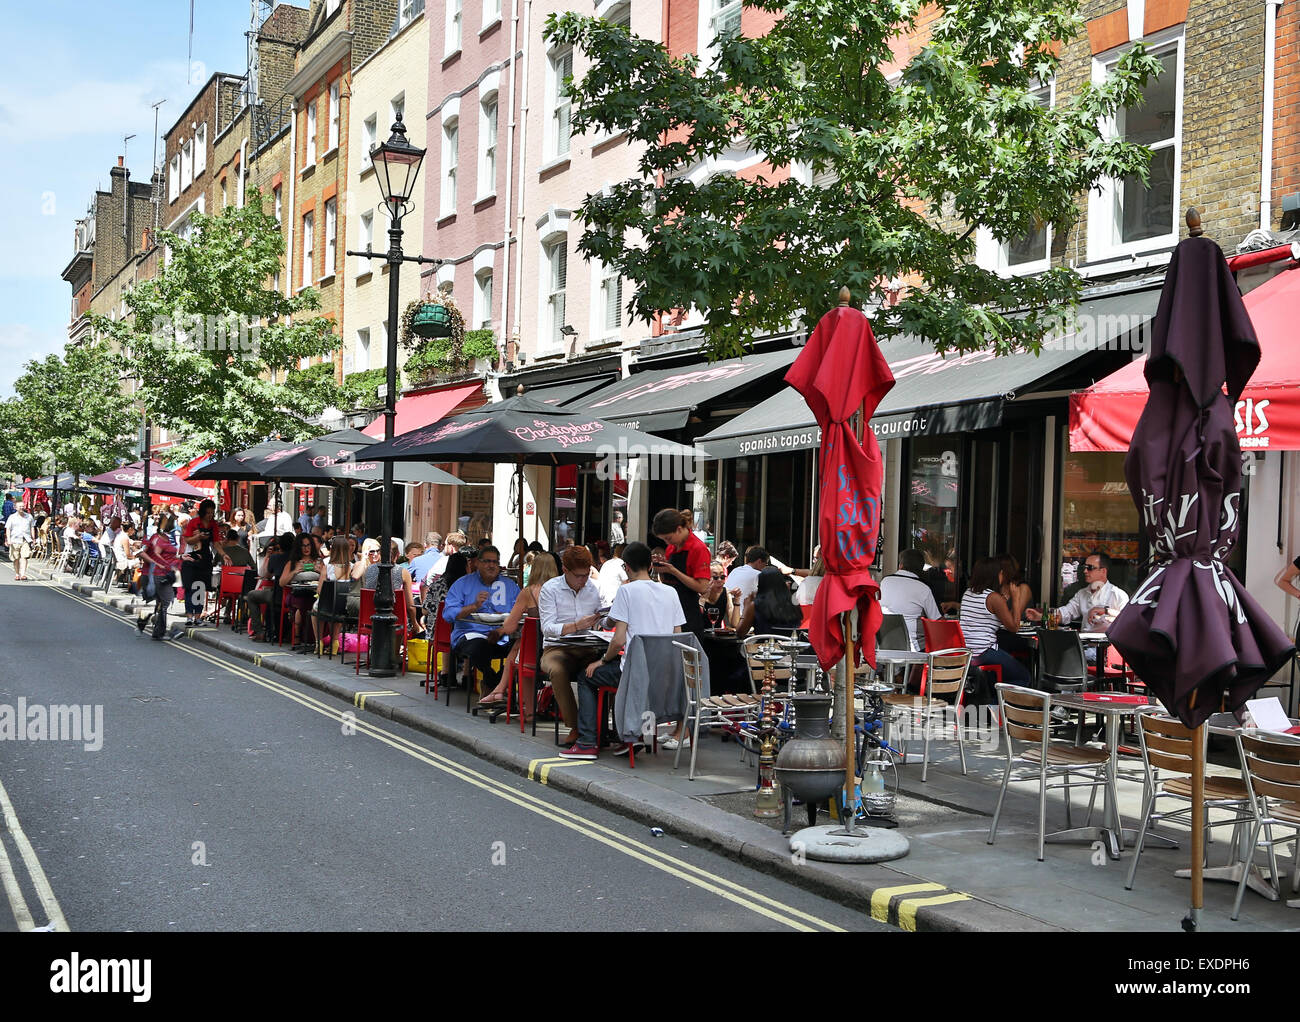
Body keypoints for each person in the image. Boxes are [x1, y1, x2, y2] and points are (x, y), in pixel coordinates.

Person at [561, 542, 686, 760]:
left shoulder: (627, 591)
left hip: (634, 673)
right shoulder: (671, 592)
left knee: (586, 676)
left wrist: (601, 661)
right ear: (650, 565)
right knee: (623, 676)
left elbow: (618, 641)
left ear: (626, 567)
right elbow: (677, 636)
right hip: (665, 674)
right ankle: (636, 736)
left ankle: (587, 742)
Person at [535, 545, 606, 744]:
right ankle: (576, 726)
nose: (584, 580)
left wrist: (607, 619)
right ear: (565, 570)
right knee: (557, 670)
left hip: (588, 646)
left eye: (587, 574)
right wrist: (574, 626)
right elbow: (547, 628)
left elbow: (601, 620)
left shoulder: (595, 588)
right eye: (579, 576)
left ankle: (600, 725)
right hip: (557, 647)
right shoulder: (550, 588)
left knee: (611, 668)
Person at [477, 550, 561, 710]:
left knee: (518, 646)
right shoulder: (561, 590)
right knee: (518, 645)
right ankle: (500, 691)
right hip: (557, 646)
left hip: (535, 652)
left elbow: (511, 624)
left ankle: (503, 693)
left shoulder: (528, 592)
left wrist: (499, 632)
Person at [443, 545, 520, 698]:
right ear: (477, 563)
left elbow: (519, 612)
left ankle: (497, 683)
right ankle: (494, 682)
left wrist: (507, 616)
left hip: (502, 634)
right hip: (471, 633)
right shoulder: (462, 584)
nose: (491, 565)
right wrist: (473, 606)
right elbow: (448, 614)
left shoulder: (510, 586)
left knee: (522, 647)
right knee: (479, 647)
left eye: (495, 562)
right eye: (487, 561)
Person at [961, 556, 1031, 696]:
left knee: (998, 675)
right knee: (1024, 677)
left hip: (967, 652)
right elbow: (1014, 627)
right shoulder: (993, 597)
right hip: (984, 652)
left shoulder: (968, 593)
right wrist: (1015, 599)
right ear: (995, 575)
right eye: (1000, 573)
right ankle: (996, 705)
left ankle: (990, 699)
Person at [1027, 551, 1129, 646]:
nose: (1085, 571)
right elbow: (1065, 613)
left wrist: (1106, 611)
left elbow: (1128, 622)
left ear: (1103, 571)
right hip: (1084, 645)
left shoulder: (1118, 595)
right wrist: (1041, 617)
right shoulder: (1082, 593)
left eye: (1090, 567)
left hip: (1106, 648)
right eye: (1084, 567)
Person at [652, 507, 711, 635]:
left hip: (688, 612)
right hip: (669, 610)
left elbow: (702, 587)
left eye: (668, 538)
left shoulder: (698, 548)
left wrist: (673, 571)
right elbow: (666, 581)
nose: (667, 542)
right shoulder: (672, 547)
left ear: (679, 529)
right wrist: (661, 569)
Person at [879, 549, 941, 651]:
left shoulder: (885, 582)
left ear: (901, 565)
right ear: (921, 569)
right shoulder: (923, 588)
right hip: (911, 648)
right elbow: (936, 622)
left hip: (883, 644)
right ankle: (917, 667)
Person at [180, 499, 225, 628]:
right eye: (208, 513)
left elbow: (216, 543)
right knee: (190, 587)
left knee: (200, 587)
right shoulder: (194, 522)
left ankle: (198, 617)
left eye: (212, 513)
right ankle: (189, 616)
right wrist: (199, 537)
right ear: (203, 512)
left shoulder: (213, 525)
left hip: (205, 558)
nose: (210, 515)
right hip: (191, 557)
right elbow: (188, 540)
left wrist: (223, 554)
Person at [137, 520, 183, 641]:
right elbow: (141, 553)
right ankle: (161, 630)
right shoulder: (153, 538)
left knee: (161, 603)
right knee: (164, 602)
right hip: (152, 574)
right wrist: (157, 563)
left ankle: (154, 627)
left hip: (165, 574)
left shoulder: (170, 538)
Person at [246, 533, 295, 642]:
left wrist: (269, 556)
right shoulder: (297, 559)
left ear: (280, 546)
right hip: (293, 594)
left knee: (251, 595)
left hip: (278, 596)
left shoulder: (275, 558)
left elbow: (266, 575)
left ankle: (258, 631)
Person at [279, 533, 322, 651]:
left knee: (320, 604)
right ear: (298, 547)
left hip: (315, 594)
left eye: (308, 545)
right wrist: (294, 572)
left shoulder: (318, 561)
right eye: (303, 546)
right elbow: (282, 582)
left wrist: (319, 571)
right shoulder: (292, 563)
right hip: (296, 594)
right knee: (304, 603)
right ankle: (302, 636)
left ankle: (318, 639)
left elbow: (326, 579)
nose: (306, 548)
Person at [736, 567, 802, 638]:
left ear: (761, 584)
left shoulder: (755, 605)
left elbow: (740, 632)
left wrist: (746, 607)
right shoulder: (794, 604)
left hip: (764, 646)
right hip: (790, 647)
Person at [724, 546, 768, 626]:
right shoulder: (759, 575)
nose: (765, 567)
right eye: (766, 564)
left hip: (727, 619)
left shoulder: (735, 570)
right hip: (744, 621)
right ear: (759, 561)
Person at [6, 503, 35, 580]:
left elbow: (32, 527)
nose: (22, 507)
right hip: (14, 540)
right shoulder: (11, 517)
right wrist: (8, 539)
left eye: (23, 506)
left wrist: (33, 538)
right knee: (16, 558)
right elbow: (8, 529)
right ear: (15, 507)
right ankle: (17, 573)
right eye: (20, 506)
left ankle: (23, 574)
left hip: (26, 539)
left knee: (24, 556)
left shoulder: (29, 516)